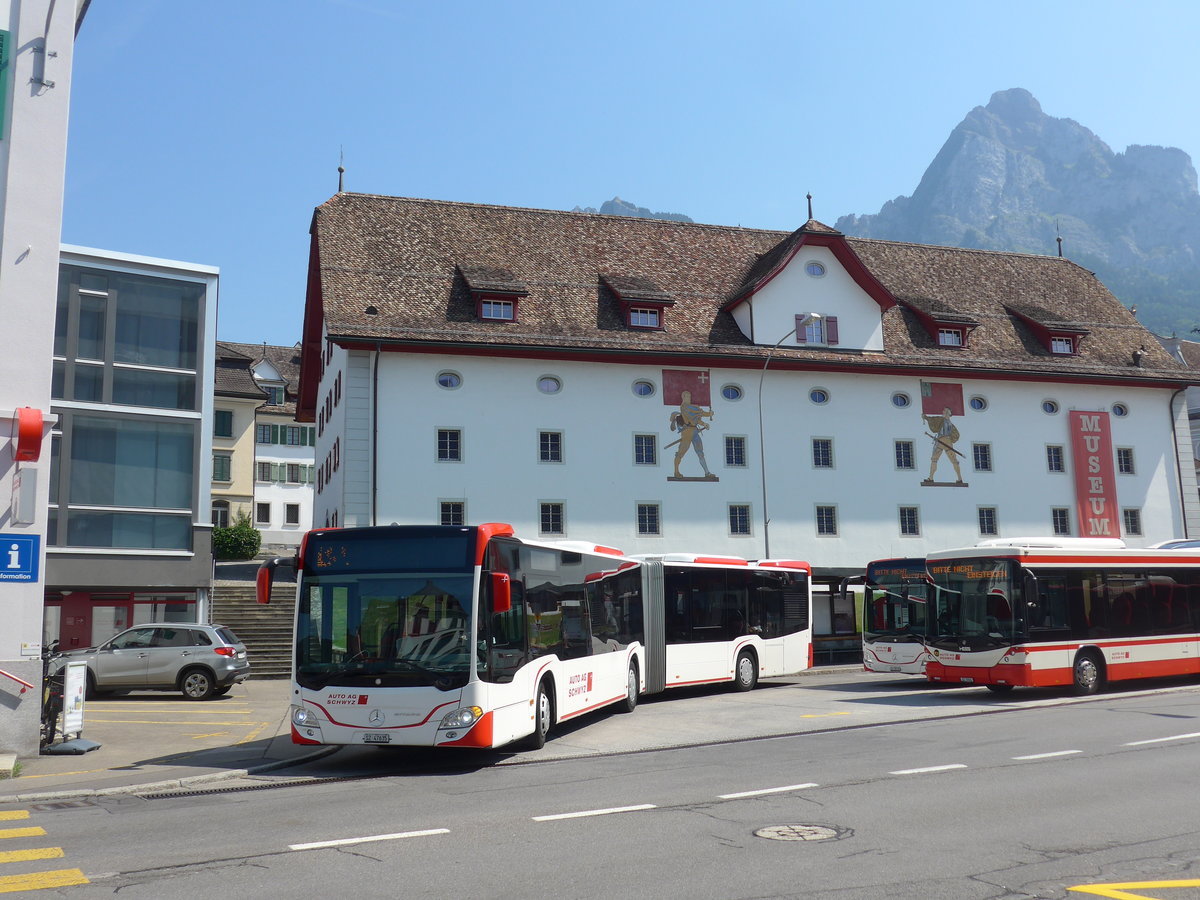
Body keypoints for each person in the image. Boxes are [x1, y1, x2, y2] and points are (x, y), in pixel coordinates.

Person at [669, 390, 715, 478]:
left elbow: (696, 419)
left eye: (690, 396)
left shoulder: (691, 407)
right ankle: (676, 472)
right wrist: (708, 414)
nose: (689, 398)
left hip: (695, 431)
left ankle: (707, 473)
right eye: (687, 396)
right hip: (687, 432)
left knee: (700, 452)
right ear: (683, 397)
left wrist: (704, 424)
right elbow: (696, 413)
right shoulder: (684, 407)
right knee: (681, 452)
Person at [922, 406, 963, 483]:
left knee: (935, 459)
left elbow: (933, 420)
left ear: (948, 413)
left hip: (942, 440)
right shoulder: (949, 423)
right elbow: (933, 420)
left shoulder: (944, 421)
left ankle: (931, 478)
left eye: (944, 411)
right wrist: (926, 417)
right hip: (945, 441)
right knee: (952, 460)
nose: (943, 412)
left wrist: (926, 417)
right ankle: (959, 478)